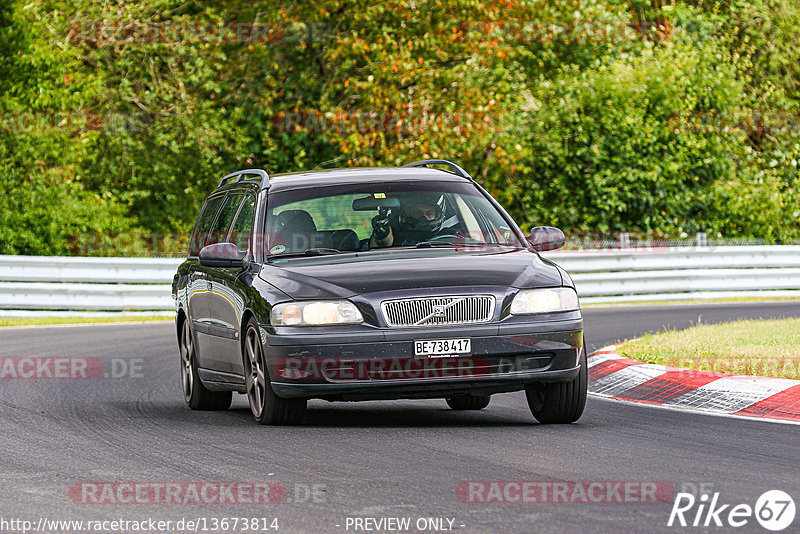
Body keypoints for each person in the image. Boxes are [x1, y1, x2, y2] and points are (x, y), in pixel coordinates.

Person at [370, 191, 449, 248]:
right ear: (407, 213)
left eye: (429, 213)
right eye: (417, 212)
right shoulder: (395, 236)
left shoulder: (449, 236)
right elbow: (381, 244)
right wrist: (383, 234)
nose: (423, 217)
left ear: (437, 215)